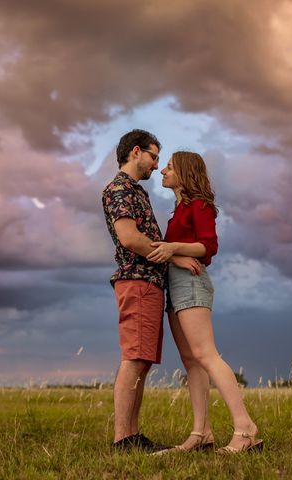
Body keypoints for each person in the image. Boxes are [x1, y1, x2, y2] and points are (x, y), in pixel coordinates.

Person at [147, 151, 263, 454]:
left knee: (206, 355)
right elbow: (180, 251)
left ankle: (245, 429)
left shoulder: (199, 206)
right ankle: (201, 434)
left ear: (184, 172)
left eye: (169, 167)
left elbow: (209, 246)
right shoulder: (179, 209)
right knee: (191, 362)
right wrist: (176, 253)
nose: (163, 172)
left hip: (191, 285)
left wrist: (173, 247)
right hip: (176, 285)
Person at [101, 130, 201, 452]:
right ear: (135, 152)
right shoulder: (119, 189)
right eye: (154, 156)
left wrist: (175, 255)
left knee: (142, 360)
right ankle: (123, 438)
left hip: (148, 283)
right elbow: (130, 238)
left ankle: (131, 434)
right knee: (134, 358)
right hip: (138, 280)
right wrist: (173, 254)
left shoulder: (135, 191)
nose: (156, 166)